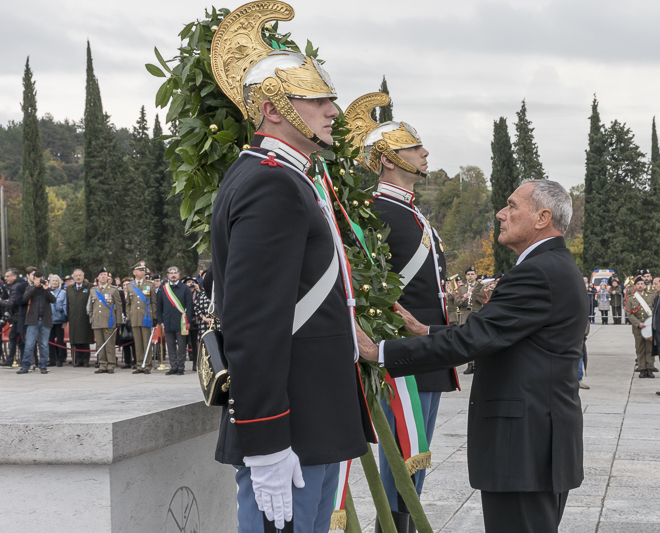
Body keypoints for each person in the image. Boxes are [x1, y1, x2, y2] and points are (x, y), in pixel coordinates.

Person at [208, 7, 375, 530]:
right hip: (290, 430)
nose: (333, 110)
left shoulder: (290, 177)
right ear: (270, 108)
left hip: (312, 420)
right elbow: (254, 324)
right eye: (317, 99)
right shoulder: (270, 182)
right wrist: (266, 440)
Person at [359, 179, 584, 533]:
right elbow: (494, 333)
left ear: (542, 217)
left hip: (524, 450)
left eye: (512, 206)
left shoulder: (537, 272)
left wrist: (379, 351)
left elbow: (474, 340)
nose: (501, 214)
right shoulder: (550, 265)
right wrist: (427, 330)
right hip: (534, 446)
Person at [346, 93, 459, 531]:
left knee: (415, 462)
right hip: (400, 354)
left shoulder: (411, 213)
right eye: (415, 147)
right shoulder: (376, 212)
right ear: (388, 159)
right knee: (402, 462)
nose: (425, 152)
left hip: (423, 352)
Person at [16, 271, 56, 374]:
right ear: (33, 279)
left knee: (44, 344)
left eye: (40, 278)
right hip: (32, 320)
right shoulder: (29, 288)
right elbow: (25, 298)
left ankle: (43, 366)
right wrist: (34, 286)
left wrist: (46, 289)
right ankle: (25, 366)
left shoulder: (46, 289)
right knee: (29, 344)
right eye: (37, 278)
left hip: (45, 320)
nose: (39, 280)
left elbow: (53, 300)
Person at [156, 266, 193, 376]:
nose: (173, 275)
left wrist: (188, 321)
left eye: (175, 273)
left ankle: (181, 367)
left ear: (179, 275)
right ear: (167, 276)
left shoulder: (185, 288)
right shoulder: (164, 289)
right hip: (167, 321)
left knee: (182, 346)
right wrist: (160, 321)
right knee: (170, 346)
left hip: (181, 321)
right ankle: (173, 367)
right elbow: (159, 307)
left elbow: (190, 306)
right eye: (171, 273)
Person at [89, 267, 123, 374]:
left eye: (105, 275)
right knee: (100, 344)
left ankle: (111, 364)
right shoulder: (93, 290)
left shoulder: (113, 289)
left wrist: (119, 321)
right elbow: (91, 306)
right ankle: (102, 364)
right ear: (97, 277)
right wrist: (91, 318)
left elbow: (119, 306)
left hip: (109, 320)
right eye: (101, 275)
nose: (103, 276)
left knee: (109, 344)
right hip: (97, 321)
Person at [126, 261, 157, 375]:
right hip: (135, 317)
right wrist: (128, 318)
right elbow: (128, 304)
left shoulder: (150, 284)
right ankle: (139, 364)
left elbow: (154, 302)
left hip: (146, 316)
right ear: (134, 272)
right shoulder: (130, 286)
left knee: (146, 342)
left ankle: (147, 365)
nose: (143, 272)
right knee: (138, 343)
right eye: (140, 270)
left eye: (143, 270)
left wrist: (154, 317)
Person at [456, 267, 486, 374]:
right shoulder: (461, 288)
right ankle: (470, 364)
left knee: (478, 338)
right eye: (468, 274)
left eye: (472, 274)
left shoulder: (481, 286)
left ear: (476, 275)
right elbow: (456, 302)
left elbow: (485, 300)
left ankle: (479, 363)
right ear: (465, 276)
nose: (470, 276)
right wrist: (464, 298)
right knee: (467, 339)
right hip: (465, 315)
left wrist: (475, 292)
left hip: (477, 314)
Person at [626, 276, 655, 378]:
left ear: (644, 285)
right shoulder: (631, 298)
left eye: (642, 284)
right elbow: (629, 314)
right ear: (635, 286)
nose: (640, 285)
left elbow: (655, 310)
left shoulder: (651, 296)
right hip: (637, 327)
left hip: (649, 326)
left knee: (650, 348)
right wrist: (638, 323)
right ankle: (642, 369)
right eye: (638, 284)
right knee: (640, 348)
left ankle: (650, 369)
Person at [66, 269, 94, 367]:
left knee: (85, 340)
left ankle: (86, 360)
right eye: (76, 276)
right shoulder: (69, 288)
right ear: (73, 277)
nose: (78, 277)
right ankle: (78, 360)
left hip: (85, 318)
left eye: (80, 275)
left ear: (83, 276)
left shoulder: (90, 287)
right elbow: (68, 304)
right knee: (76, 340)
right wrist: (68, 317)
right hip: (74, 318)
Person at [0, 269, 27, 367]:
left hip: (18, 316)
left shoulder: (16, 286)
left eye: (7, 276)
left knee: (20, 339)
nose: (5, 278)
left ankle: (15, 360)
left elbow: (12, 304)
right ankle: (14, 359)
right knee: (17, 338)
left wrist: (1, 301)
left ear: (14, 276)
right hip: (18, 316)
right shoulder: (20, 284)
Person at [48, 275, 68, 367]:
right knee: (50, 341)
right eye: (53, 281)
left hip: (59, 320)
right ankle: (52, 359)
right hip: (49, 320)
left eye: (56, 281)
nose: (54, 282)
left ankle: (60, 359)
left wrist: (65, 319)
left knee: (60, 341)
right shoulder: (46, 292)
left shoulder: (63, 292)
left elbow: (65, 306)